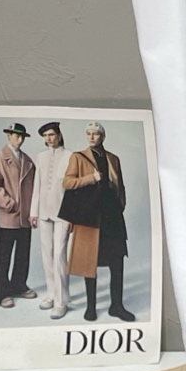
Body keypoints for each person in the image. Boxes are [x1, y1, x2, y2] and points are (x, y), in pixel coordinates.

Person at [62, 123, 134, 322]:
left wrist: (120, 206)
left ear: (103, 136)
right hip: (89, 217)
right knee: (89, 261)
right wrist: (91, 178)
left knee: (117, 261)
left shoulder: (113, 158)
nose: (92, 137)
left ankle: (117, 306)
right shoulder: (78, 157)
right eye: (89, 133)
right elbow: (67, 183)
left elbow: (120, 186)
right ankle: (91, 307)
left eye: (96, 134)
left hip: (112, 217)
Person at [0, 122, 36, 308]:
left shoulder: (28, 161)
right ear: (8, 136)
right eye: (16, 136)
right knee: (5, 255)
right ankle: (2, 293)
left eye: (22, 137)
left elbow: (35, 188)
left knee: (23, 254)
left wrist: (33, 211)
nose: (20, 140)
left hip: (26, 217)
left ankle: (19, 286)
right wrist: (9, 203)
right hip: (9, 215)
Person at [30, 120, 71, 318]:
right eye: (45, 136)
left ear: (59, 135)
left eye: (51, 135)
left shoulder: (70, 156)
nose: (48, 139)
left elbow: (72, 191)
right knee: (47, 254)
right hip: (44, 211)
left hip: (63, 213)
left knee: (59, 254)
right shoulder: (41, 157)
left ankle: (61, 302)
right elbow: (37, 185)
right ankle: (51, 295)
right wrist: (34, 212)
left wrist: (71, 216)